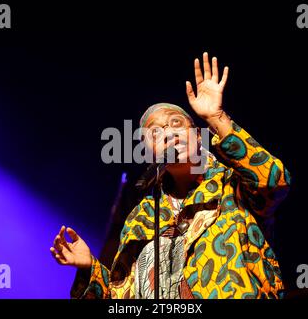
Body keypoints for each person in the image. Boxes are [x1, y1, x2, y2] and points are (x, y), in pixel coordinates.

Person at [50, 52, 291, 299]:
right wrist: (89, 267)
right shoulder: (141, 217)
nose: (167, 133)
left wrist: (216, 118)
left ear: (198, 136)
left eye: (177, 124)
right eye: (155, 133)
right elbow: (124, 297)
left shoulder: (233, 185)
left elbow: (274, 181)